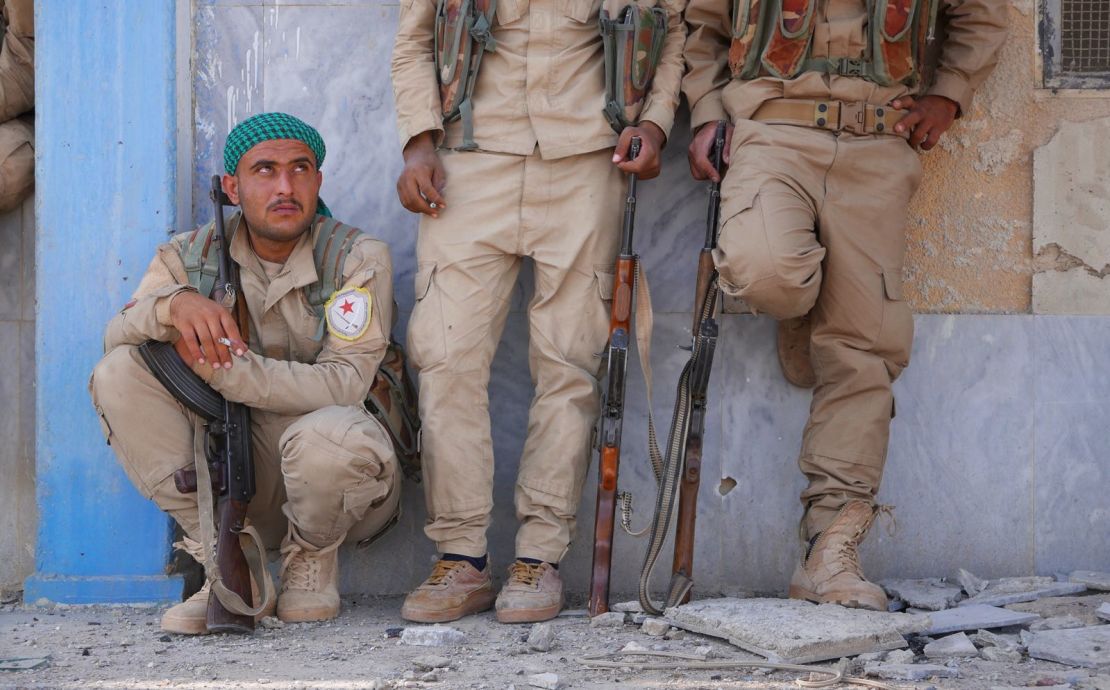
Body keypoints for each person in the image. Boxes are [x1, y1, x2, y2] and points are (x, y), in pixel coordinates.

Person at [682, 0, 1007, 609]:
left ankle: (828, 552)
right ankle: (809, 299)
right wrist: (705, 113)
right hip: (771, 132)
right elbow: (701, 23)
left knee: (864, 345)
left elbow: (981, 13)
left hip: (880, 139)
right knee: (766, 271)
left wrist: (949, 93)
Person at [391, 0, 685, 623]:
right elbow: (415, 40)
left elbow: (673, 33)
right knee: (446, 353)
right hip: (468, 160)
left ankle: (539, 558)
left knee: (572, 362)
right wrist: (418, 142)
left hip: (588, 161)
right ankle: (461, 558)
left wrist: (656, 125)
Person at [89, 112, 401, 634]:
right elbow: (116, 334)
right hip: (232, 474)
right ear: (232, 187)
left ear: (318, 181)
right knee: (117, 373)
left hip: (337, 485)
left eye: (300, 169)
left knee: (330, 431)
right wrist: (175, 306)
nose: (285, 186)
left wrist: (233, 373)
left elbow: (347, 382)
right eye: (264, 170)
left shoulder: (354, 257)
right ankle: (229, 561)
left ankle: (312, 561)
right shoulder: (189, 256)